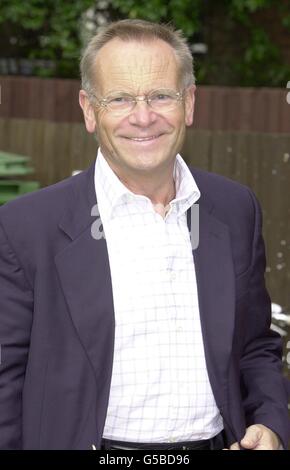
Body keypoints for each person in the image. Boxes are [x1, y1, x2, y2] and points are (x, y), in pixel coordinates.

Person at [0, 19, 289, 451]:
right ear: (88, 109)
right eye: (119, 98)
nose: (143, 116)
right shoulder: (26, 227)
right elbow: (6, 381)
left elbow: (254, 347)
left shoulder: (235, 210)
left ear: (188, 103)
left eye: (160, 95)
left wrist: (271, 421)